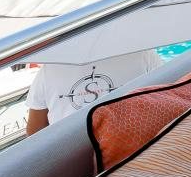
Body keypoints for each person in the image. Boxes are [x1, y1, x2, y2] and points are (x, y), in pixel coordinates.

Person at [24, 49, 163, 135]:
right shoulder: (142, 54)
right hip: (137, 147)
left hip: (70, 160)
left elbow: (35, 130)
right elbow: (167, 97)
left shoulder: (50, 70)